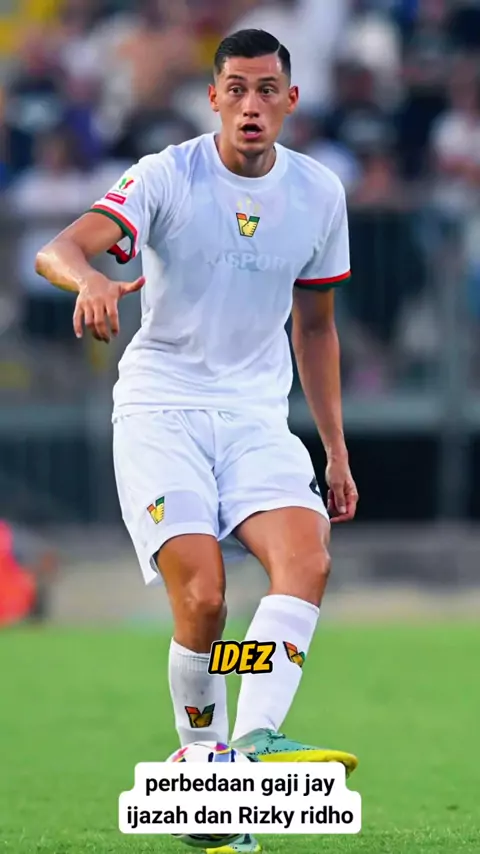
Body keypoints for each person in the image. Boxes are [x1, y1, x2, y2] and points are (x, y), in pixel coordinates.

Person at [35, 29, 359, 854]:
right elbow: (57, 249)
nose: (251, 105)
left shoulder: (319, 193)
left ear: (291, 100)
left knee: (308, 560)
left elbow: (316, 327)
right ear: (213, 97)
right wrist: (92, 279)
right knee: (205, 603)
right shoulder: (166, 175)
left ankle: (252, 742)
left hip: (255, 416)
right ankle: (203, 779)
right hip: (162, 412)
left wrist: (334, 447)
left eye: (267, 90)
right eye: (236, 89)